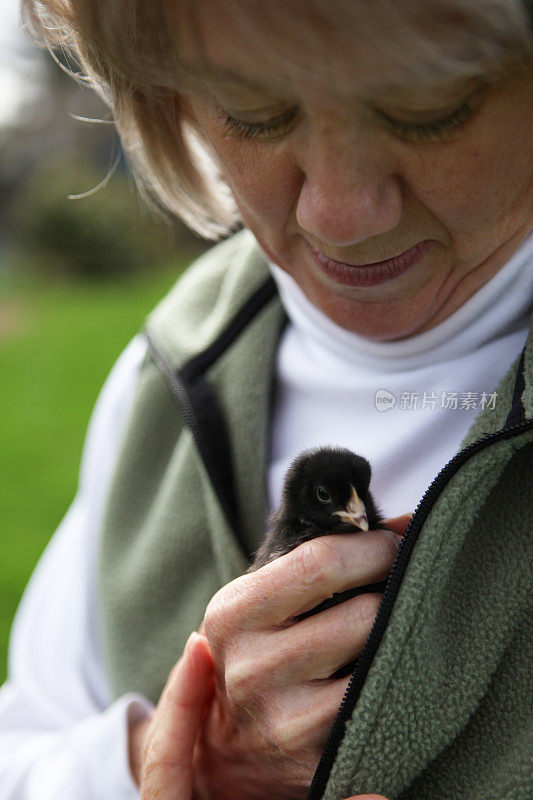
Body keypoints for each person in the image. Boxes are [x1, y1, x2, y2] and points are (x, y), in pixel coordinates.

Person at [1, 1, 532, 798]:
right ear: (166, 93)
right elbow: (24, 750)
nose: (341, 214)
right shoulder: (173, 367)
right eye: (253, 112)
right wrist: (178, 757)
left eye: (429, 109)